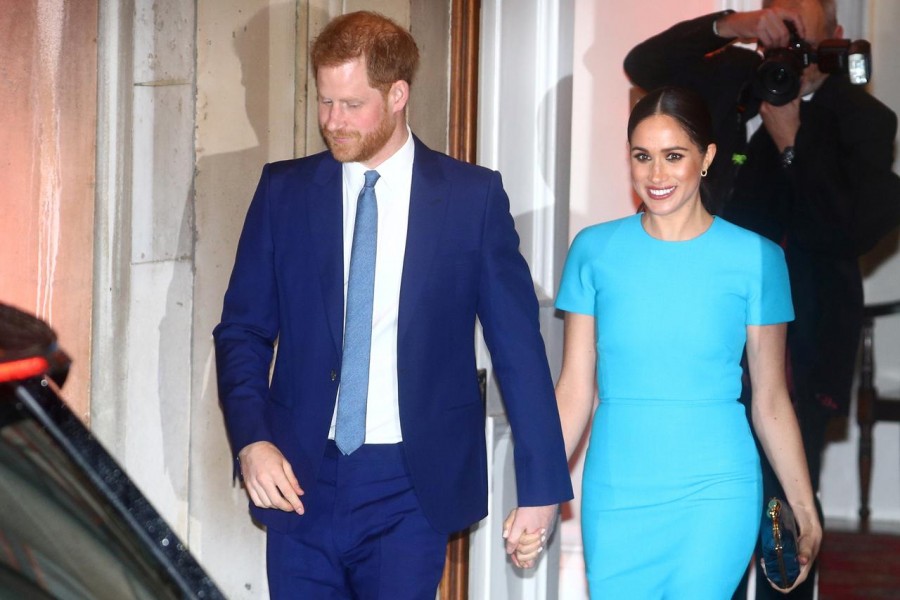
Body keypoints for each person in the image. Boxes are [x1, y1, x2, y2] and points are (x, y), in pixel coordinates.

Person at [212, 10, 572, 599]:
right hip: (298, 476)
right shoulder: (284, 191)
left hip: (409, 486)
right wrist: (252, 440)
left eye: (351, 105)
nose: (333, 121)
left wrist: (540, 490)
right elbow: (243, 332)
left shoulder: (471, 198)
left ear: (398, 94)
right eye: (325, 102)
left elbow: (518, 351)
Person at [623, 2, 900, 598]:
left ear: (836, 38)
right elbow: (642, 63)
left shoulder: (864, 119)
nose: (791, 44)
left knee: (783, 509)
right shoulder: (730, 77)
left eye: (806, 31)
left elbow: (848, 233)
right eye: (782, 24)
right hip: (703, 330)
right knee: (699, 493)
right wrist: (734, 25)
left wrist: (793, 144)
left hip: (801, 340)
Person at [553, 86, 822, 598]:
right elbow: (573, 391)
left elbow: (769, 401)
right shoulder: (594, 251)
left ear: (708, 158)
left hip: (715, 493)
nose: (656, 175)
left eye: (674, 156)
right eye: (642, 156)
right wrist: (540, 492)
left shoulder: (756, 259)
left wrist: (804, 511)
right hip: (616, 496)